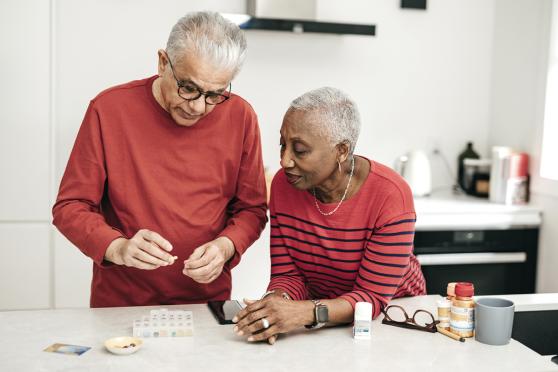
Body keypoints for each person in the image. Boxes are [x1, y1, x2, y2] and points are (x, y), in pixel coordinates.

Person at [52, 11, 267, 307]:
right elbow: (70, 207)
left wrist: (226, 246)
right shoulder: (109, 110)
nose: (199, 107)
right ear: (163, 63)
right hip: (121, 304)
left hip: (206, 305)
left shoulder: (241, 116)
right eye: (189, 88)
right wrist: (117, 247)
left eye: (215, 94)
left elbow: (252, 209)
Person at [233, 87, 426, 344]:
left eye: (299, 150)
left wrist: (303, 313)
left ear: (342, 151)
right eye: (282, 144)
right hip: (326, 319)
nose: (285, 160)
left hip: (397, 317)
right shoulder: (284, 185)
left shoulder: (390, 196)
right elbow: (289, 274)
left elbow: (371, 298)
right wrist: (277, 302)